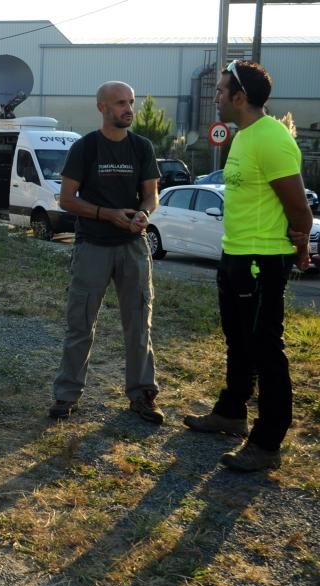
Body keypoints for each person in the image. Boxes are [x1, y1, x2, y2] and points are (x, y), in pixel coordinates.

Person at [183, 60, 313, 472]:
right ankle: (231, 413)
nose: (217, 97)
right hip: (236, 254)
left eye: (221, 91)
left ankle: (267, 442)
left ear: (240, 97)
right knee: (238, 340)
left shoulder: (271, 139)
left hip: (262, 260)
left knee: (265, 349)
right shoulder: (243, 136)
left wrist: (299, 244)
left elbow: (300, 209)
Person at [48, 81, 163, 424]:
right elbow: (67, 200)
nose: (128, 109)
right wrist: (108, 214)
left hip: (132, 247)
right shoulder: (85, 148)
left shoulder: (142, 147)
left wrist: (144, 214)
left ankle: (143, 395)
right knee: (80, 324)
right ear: (102, 107)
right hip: (93, 247)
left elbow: (151, 195)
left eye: (131, 102)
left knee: (139, 323)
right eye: (120, 103)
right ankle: (66, 396)